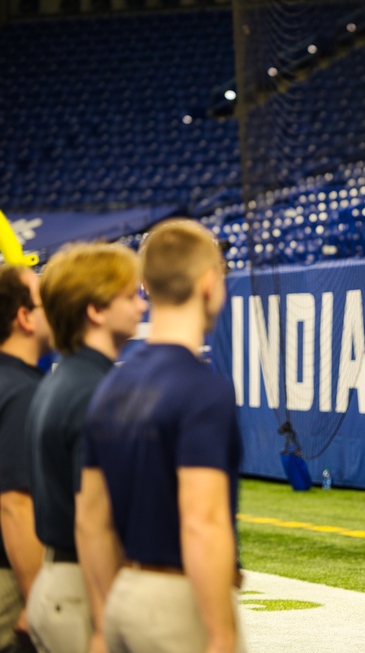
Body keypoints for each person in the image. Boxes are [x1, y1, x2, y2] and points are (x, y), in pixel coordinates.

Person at [78, 219, 244, 652]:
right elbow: (201, 522)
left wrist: (103, 620)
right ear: (208, 284)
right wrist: (222, 636)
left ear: (146, 286)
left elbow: (91, 520)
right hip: (179, 603)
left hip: (123, 596)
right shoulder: (203, 389)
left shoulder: (111, 383)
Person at [26, 243, 146, 652]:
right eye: (129, 296)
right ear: (95, 311)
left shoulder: (60, 382)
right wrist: (102, 622)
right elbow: (93, 522)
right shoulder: (94, 391)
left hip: (60, 581)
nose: (141, 307)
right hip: (81, 588)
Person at [0, 265, 51, 652]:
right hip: (10, 581)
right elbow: (16, 503)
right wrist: (35, 599)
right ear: (24, 318)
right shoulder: (22, 392)